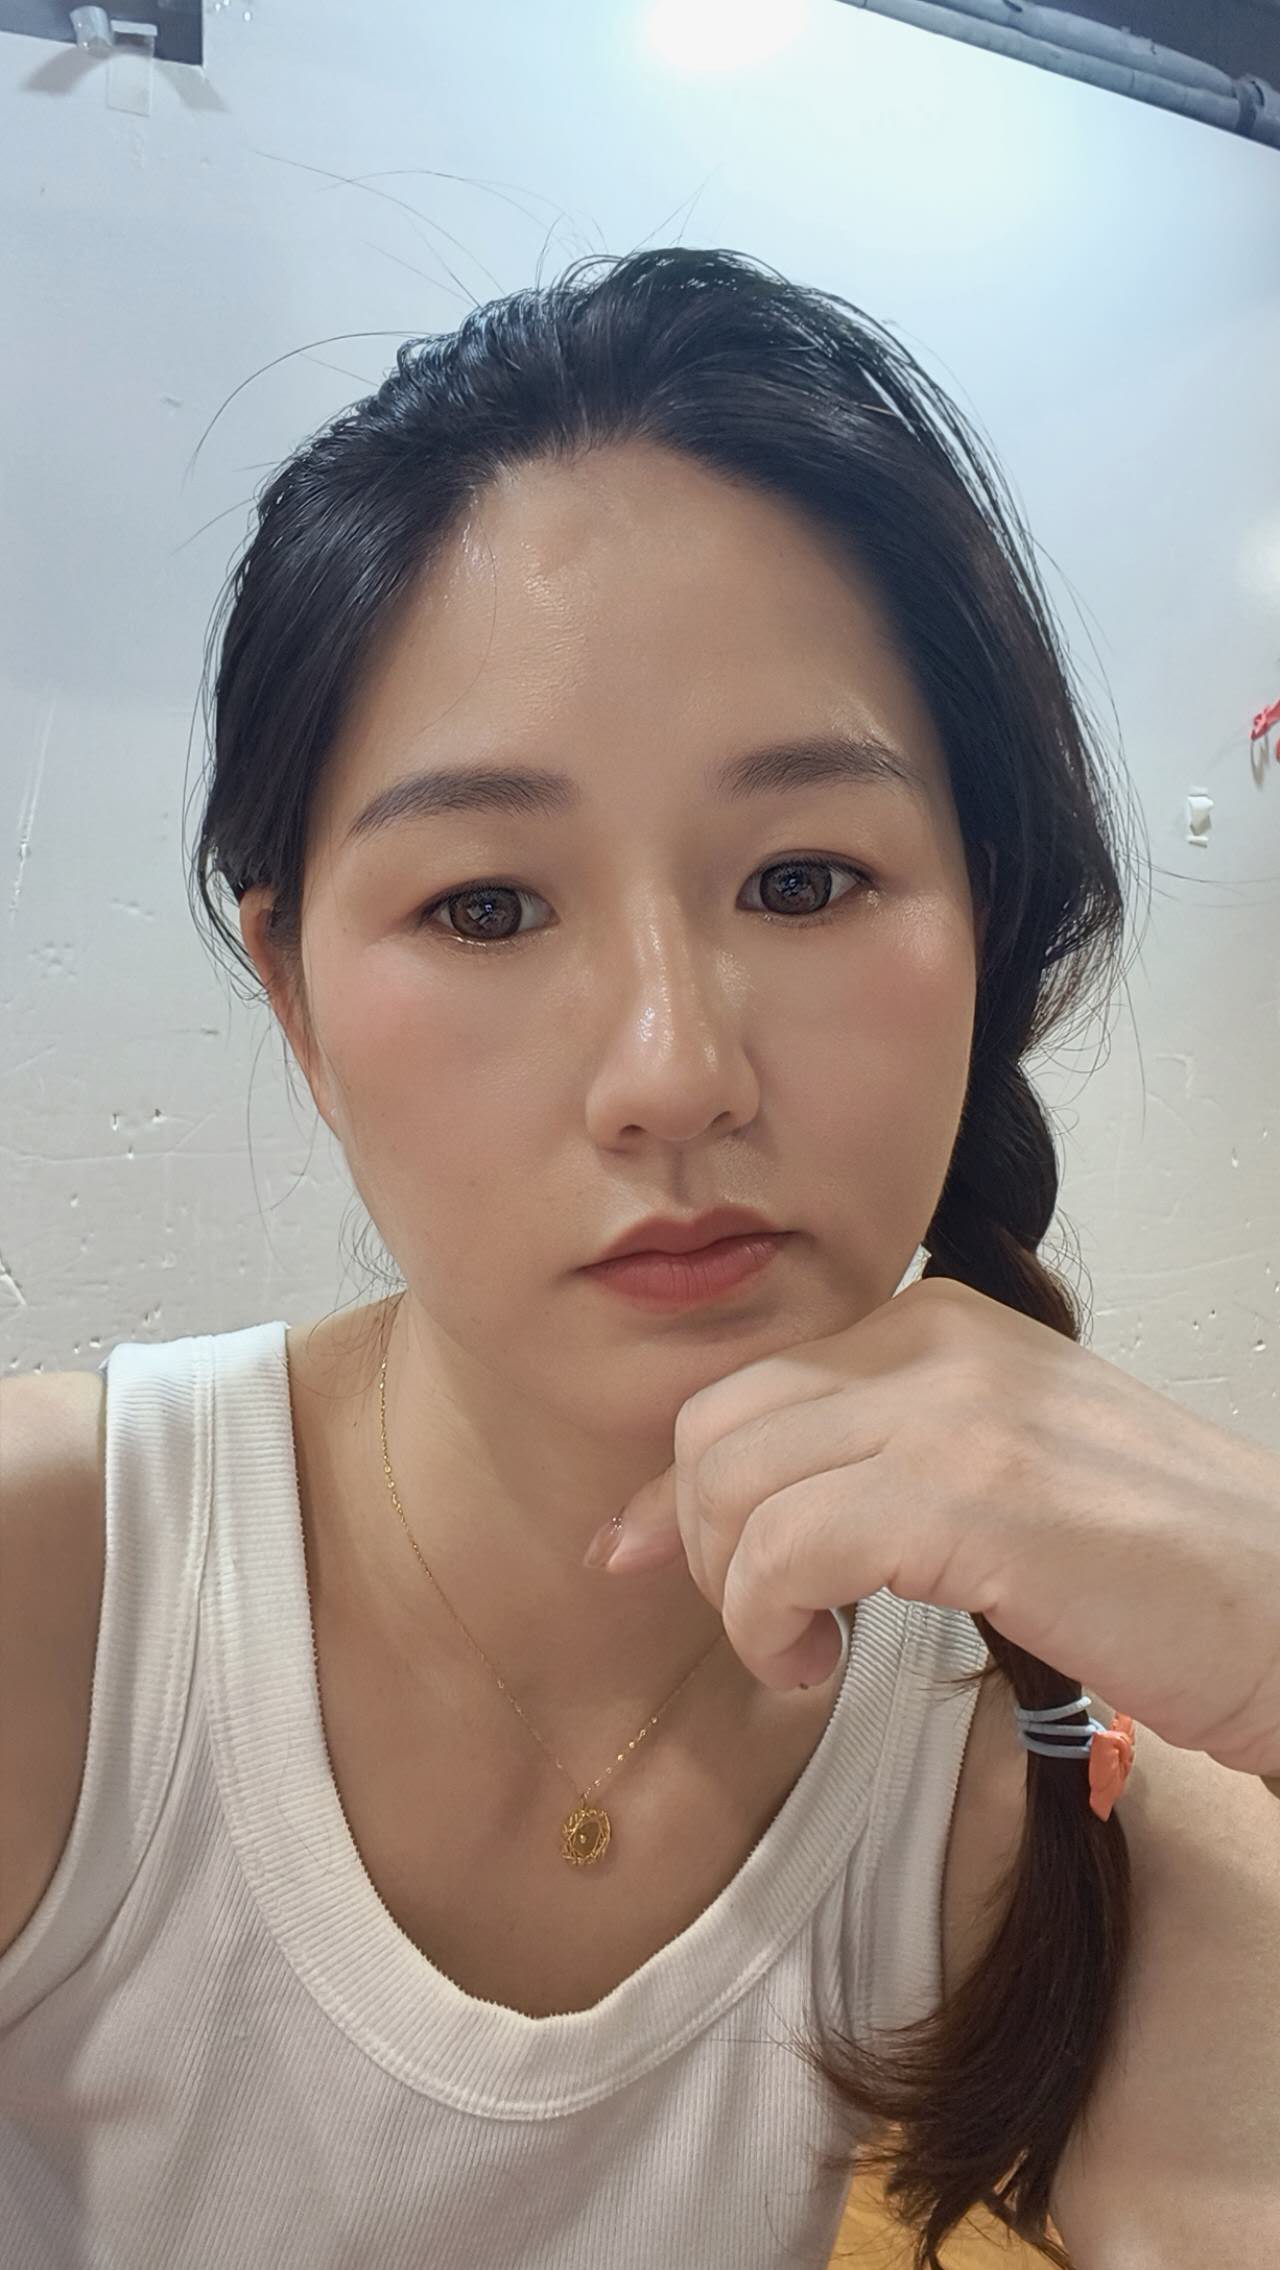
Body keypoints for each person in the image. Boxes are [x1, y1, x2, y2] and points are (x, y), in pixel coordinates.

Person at [2, 246, 1277, 2270]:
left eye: (805, 877)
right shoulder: (63, 1594)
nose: (673, 1074)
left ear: (987, 922)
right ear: (296, 994)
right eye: (488, 906)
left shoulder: (1036, 1746)